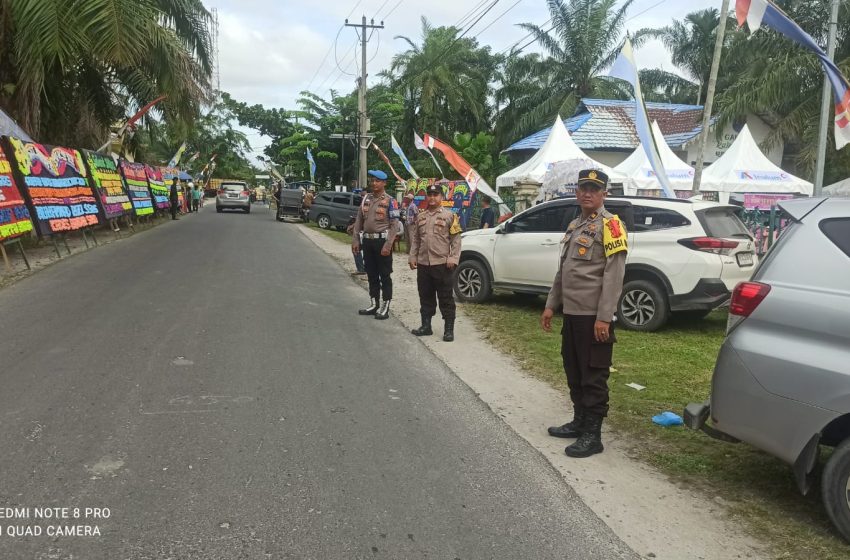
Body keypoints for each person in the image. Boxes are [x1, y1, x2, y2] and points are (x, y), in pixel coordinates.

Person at [540, 169, 627, 459]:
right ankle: (579, 421)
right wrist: (551, 304)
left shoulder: (611, 225)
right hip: (572, 313)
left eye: (594, 189)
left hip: (593, 316)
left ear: (604, 194)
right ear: (576, 192)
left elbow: (614, 275)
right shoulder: (575, 224)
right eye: (583, 188)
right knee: (574, 369)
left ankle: (593, 434)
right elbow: (564, 270)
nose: (588, 193)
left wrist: (604, 317)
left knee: (593, 375)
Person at [408, 184, 462, 342]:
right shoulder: (421, 216)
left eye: (435, 194)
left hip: (442, 264)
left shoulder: (450, 216)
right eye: (430, 194)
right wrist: (412, 256)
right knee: (425, 296)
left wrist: (453, 258)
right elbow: (416, 239)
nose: (432, 197)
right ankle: (426, 326)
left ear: (441, 197)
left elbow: (456, 240)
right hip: (424, 264)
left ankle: (448, 330)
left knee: (446, 297)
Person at [352, 170, 400, 320]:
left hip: (382, 242)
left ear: (384, 183)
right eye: (372, 180)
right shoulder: (366, 198)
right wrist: (355, 239)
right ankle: (374, 303)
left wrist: (388, 244)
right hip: (367, 241)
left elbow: (394, 224)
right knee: (371, 274)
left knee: (384, 275)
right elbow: (359, 220)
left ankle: (385, 306)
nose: (374, 183)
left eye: (378, 181)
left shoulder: (390, 201)